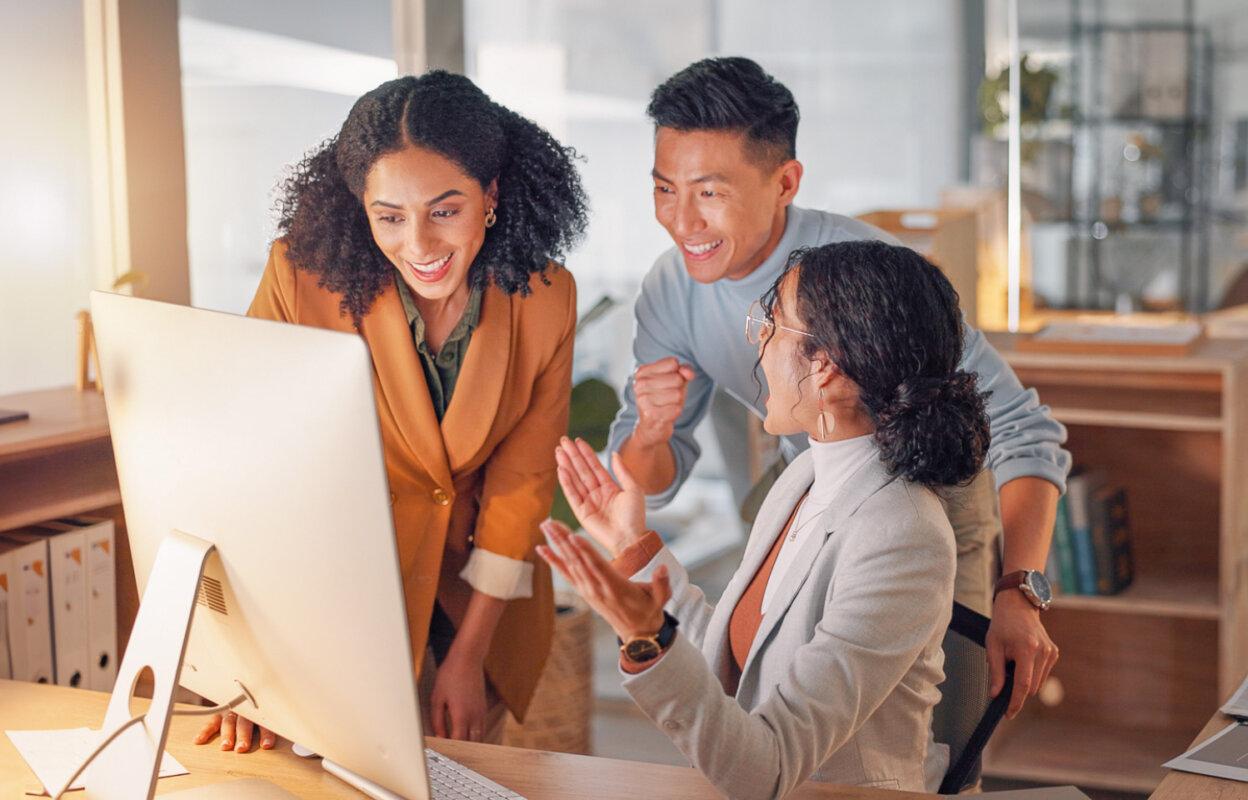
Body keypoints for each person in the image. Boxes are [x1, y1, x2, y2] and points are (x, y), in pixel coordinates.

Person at [607, 57, 1070, 717]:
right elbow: (651, 480)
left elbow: (1022, 429)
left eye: (708, 193)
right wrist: (652, 434)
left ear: (786, 182)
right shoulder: (670, 289)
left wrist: (1018, 593)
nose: (682, 222)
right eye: (663, 189)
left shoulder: (870, 276)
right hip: (811, 487)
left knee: (937, 731)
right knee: (784, 711)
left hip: (934, 496)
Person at [194, 71, 588, 752]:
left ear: (490, 197)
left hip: (475, 601)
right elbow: (256, 471)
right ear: (362, 209)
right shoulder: (299, 279)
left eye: (445, 210)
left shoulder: (545, 297)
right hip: (330, 598)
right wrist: (247, 663)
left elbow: (521, 485)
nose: (420, 245)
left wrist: (467, 655)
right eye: (390, 217)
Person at [543, 241, 990, 796]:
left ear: (824, 366)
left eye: (771, 321)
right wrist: (633, 544)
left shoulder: (904, 533)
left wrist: (648, 640)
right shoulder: (802, 478)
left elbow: (768, 769)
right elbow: (732, 667)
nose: (757, 338)